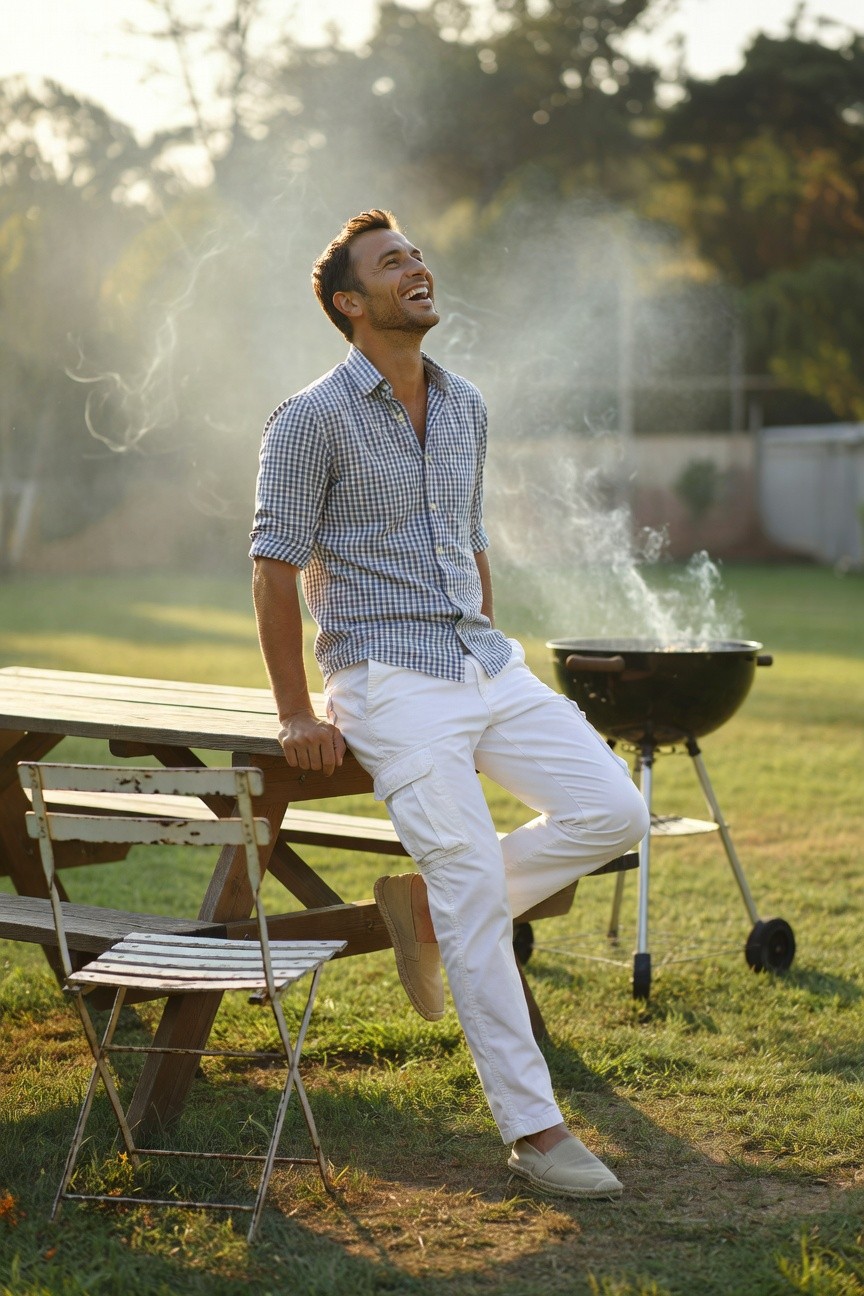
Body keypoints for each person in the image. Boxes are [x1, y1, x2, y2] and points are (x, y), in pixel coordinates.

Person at [250, 209, 649, 1200]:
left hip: (484, 661)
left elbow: (468, 542)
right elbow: (271, 569)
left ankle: (425, 908)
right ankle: (537, 1131)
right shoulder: (309, 419)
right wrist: (299, 713)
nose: (417, 269)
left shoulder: (465, 403)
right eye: (393, 263)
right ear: (352, 303)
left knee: (617, 812)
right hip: (386, 679)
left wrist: (488, 646)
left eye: (417, 255)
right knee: (476, 887)